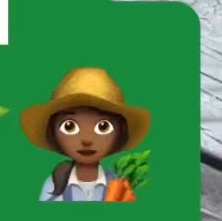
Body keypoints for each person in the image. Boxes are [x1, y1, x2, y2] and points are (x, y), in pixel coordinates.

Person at [19, 68, 150, 201]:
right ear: (53, 132)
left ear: (119, 134)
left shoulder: (119, 185)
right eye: (69, 126)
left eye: (103, 127)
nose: (87, 140)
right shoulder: (53, 186)